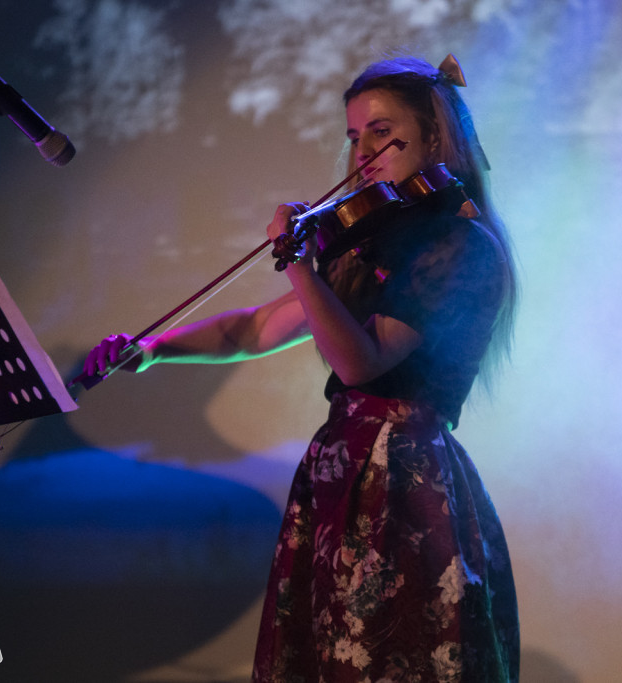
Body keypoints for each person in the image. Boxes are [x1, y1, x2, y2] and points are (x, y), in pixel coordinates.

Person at [83, 54, 519, 682]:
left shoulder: (461, 245)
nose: (363, 150)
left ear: (432, 134)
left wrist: (300, 264)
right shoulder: (371, 240)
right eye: (352, 136)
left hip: (403, 479)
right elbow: (256, 328)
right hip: (345, 474)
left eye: (380, 130)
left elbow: (362, 363)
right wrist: (152, 350)